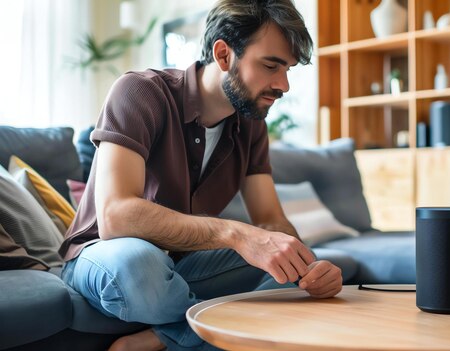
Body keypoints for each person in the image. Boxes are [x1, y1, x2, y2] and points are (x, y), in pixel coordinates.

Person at [58, 1, 343, 350]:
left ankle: (165, 337)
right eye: (271, 65)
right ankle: (213, 329)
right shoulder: (139, 92)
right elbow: (116, 217)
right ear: (223, 55)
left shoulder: (251, 125)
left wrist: (308, 269)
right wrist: (235, 234)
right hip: (106, 255)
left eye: (288, 70)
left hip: (184, 264)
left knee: (287, 269)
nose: (283, 85)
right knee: (139, 265)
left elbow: (271, 222)